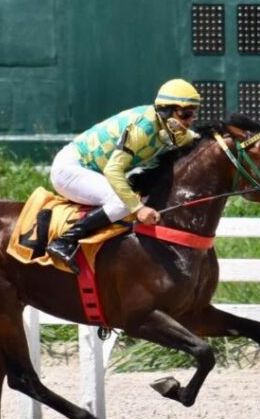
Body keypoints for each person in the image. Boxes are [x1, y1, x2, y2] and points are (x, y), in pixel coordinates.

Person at [45, 79, 202, 274]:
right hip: (71, 169)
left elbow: (198, 141)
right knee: (122, 203)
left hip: (91, 170)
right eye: (186, 114)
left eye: (194, 114)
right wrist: (138, 209)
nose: (190, 120)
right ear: (166, 111)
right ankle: (64, 240)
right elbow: (113, 170)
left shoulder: (169, 127)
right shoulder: (143, 128)